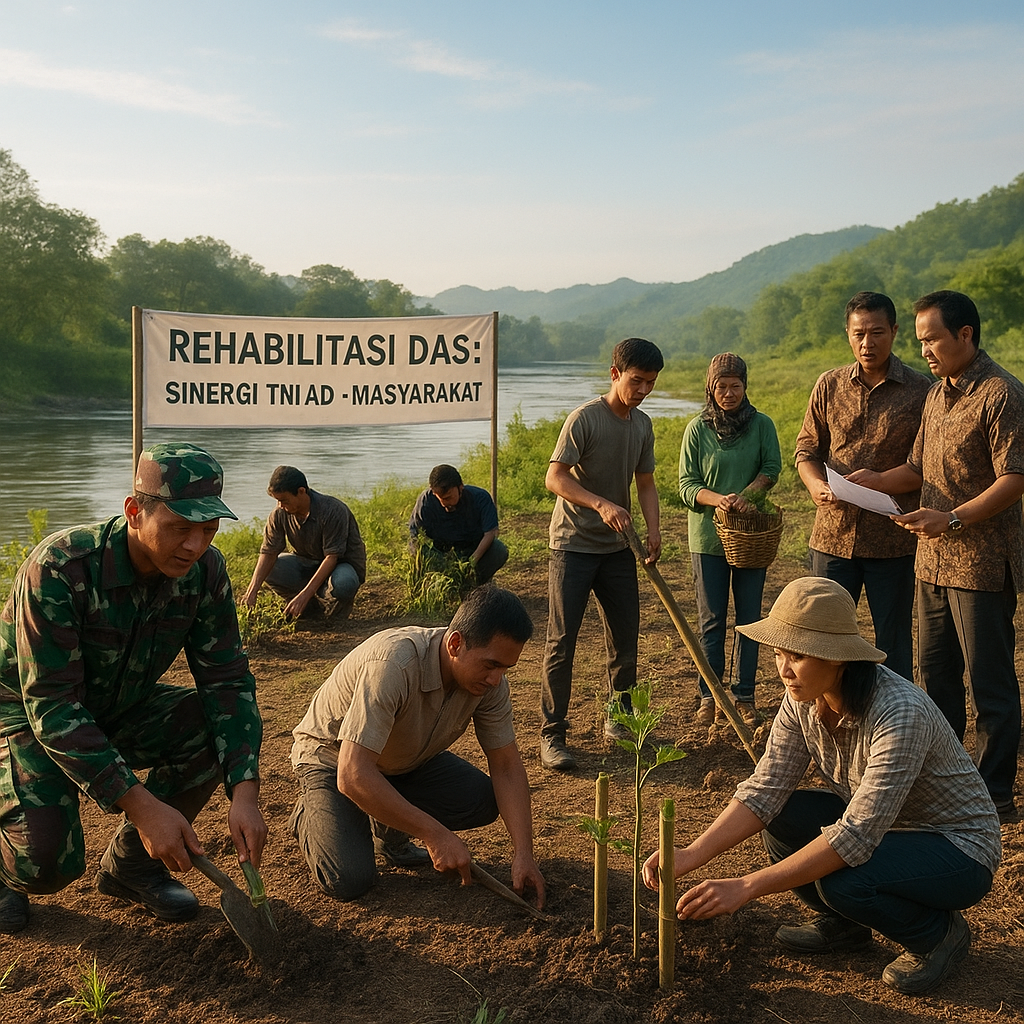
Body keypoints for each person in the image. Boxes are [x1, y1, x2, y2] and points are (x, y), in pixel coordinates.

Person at [642, 576, 1000, 997]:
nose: (784, 670)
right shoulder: (802, 699)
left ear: (838, 658)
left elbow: (854, 837)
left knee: (844, 883)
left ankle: (937, 936)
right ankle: (844, 926)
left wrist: (746, 887)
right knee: (782, 816)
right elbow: (766, 789)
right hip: (886, 830)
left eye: (798, 656)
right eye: (779, 654)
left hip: (956, 848)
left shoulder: (899, 713)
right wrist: (690, 854)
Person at [0, 442, 266, 935]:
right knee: (45, 865)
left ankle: (131, 867)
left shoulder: (205, 572)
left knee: (211, 727)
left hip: (118, 705)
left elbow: (227, 680)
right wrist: (145, 809)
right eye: (180, 528)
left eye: (208, 530)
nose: (195, 546)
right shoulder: (60, 568)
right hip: (24, 714)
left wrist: (245, 793)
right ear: (134, 512)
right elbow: (52, 707)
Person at [848, 290, 1024, 821]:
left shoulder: (1001, 394)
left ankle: (994, 795)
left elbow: (1015, 478)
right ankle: (948, 784)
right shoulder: (937, 395)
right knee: (936, 677)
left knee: (989, 682)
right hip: (931, 562)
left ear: (965, 334)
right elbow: (918, 469)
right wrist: (874, 482)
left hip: (981, 563)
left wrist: (951, 519)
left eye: (932, 340)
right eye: (921, 341)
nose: (924, 350)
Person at [289, 584, 545, 908]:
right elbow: (352, 774)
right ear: (455, 644)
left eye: (506, 668)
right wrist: (434, 834)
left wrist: (524, 854)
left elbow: (506, 766)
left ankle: (387, 829)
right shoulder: (393, 664)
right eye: (491, 665)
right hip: (332, 760)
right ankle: (311, 813)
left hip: (403, 762)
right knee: (349, 878)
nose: (496, 679)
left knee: (482, 799)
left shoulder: (490, 684)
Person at [538, 337, 663, 771]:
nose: (643, 390)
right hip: (572, 545)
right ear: (615, 374)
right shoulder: (585, 419)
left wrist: (653, 530)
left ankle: (619, 717)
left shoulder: (642, 425)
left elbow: (645, 482)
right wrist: (601, 504)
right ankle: (552, 734)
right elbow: (555, 478)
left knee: (625, 636)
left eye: (650, 383)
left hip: (617, 548)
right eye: (636, 380)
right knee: (562, 641)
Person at [795, 291, 931, 680]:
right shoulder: (829, 384)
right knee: (822, 638)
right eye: (859, 334)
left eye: (876, 333)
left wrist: (880, 482)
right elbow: (806, 450)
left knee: (893, 643)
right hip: (832, 537)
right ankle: (827, 709)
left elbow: (924, 466)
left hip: (893, 540)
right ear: (848, 334)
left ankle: (896, 712)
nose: (867, 343)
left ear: (895, 331)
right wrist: (815, 485)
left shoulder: (921, 391)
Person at [679, 352, 781, 727]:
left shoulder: (762, 425)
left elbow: (772, 468)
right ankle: (710, 696)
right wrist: (718, 499)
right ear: (711, 388)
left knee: (750, 618)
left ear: (745, 386)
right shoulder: (697, 429)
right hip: (708, 538)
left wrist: (747, 495)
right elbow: (687, 485)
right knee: (712, 621)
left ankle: (744, 696)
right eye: (721, 387)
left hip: (750, 534)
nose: (728, 393)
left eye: (735, 386)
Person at [242, 465, 366, 620]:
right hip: (306, 563)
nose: (280, 506)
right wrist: (252, 591)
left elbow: (332, 557)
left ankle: (335, 612)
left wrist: (304, 595)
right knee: (270, 569)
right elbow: (268, 552)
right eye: (277, 501)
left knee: (344, 584)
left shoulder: (332, 510)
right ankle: (308, 608)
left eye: (284, 500)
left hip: (341, 566)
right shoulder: (279, 513)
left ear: (301, 491)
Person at [408, 464, 509, 586]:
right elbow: (415, 535)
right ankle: (444, 583)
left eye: (449, 497)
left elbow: (491, 532)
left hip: (473, 551)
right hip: (442, 554)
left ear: (460, 487)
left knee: (499, 550)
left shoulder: (480, 498)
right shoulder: (426, 501)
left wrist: (471, 562)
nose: (444, 503)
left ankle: (476, 581)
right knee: (420, 552)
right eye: (440, 498)